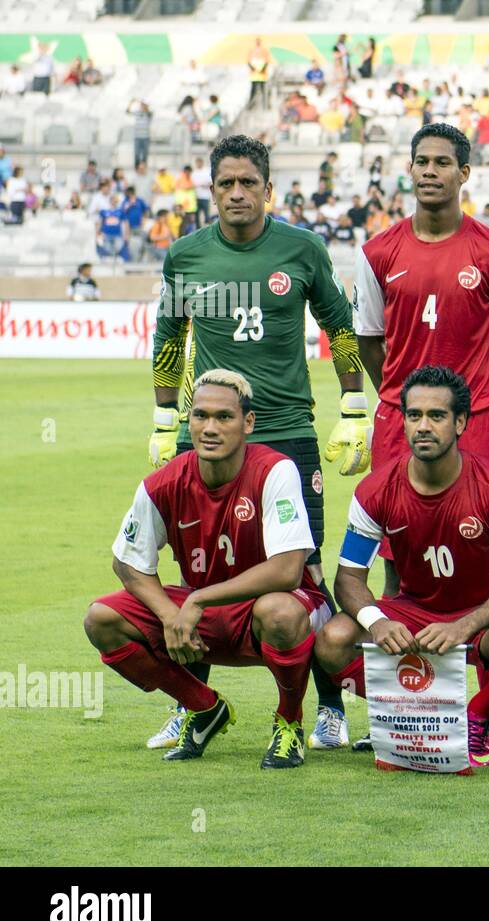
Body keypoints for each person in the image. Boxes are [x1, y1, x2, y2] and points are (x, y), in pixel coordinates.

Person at [146, 135, 369, 754]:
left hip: (288, 435)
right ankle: (193, 707)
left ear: (269, 189)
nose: (237, 193)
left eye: (249, 183)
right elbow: (169, 336)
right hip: (214, 439)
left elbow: (339, 325)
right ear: (211, 190)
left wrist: (354, 404)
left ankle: (326, 709)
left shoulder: (302, 248)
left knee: (309, 573)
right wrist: (166, 419)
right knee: (200, 568)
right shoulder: (185, 257)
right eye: (226, 184)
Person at [353, 123, 489, 750]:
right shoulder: (378, 251)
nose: (429, 171)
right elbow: (369, 341)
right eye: (420, 161)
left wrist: (484, 400)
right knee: (397, 562)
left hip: (476, 422)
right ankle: (406, 707)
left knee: (487, 562)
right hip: (399, 423)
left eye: (442, 163)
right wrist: (402, 405)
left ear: (464, 173)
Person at [85, 370, 331, 769]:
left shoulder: (276, 470)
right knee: (101, 620)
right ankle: (203, 707)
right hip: (203, 616)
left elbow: (288, 570)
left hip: (281, 610)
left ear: (248, 423)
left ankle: (289, 722)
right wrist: (169, 615)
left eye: (224, 417)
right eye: (200, 416)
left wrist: (196, 599)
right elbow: (127, 562)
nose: (210, 428)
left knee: (279, 610)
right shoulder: (162, 483)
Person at [315, 366, 489, 765]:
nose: (423, 426)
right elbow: (348, 579)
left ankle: (479, 714)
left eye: (436, 416)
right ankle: (415, 712)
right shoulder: (375, 490)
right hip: (414, 612)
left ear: (460, 423)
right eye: (414, 415)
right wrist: (378, 622)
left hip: (483, 619)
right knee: (333, 639)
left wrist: (464, 626)